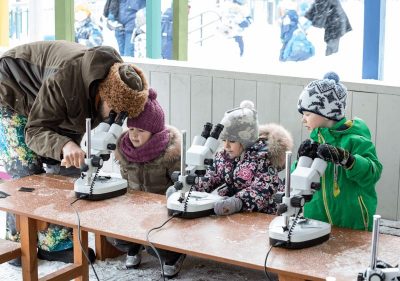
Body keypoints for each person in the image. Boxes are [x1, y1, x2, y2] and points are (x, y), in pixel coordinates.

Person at [0, 40, 149, 265]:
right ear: (102, 94)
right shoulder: (65, 82)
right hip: (12, 90)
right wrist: (64, 145)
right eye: (113, 112)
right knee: (27, 173)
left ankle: (54, 245)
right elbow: (35, 131)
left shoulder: (118, 80)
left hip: (50, 103)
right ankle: (18, 243)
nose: (114, 118)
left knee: (64, 173)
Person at [106, 88, 185, 278]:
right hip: (133, 209)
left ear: (155, 131)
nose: (134, 135)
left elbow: (181, 190)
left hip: (162, 212)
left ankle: (173, 255)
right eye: (132, 129)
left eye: (141, 131)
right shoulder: (125, 150)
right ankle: (133, 245)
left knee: (155, 243)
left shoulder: (169, 153)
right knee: (110, 232)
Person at [296, 72, 382, 231]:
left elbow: (373, 173)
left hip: (352, 221)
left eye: (307, 114)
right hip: (315, 219)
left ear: (327, 113)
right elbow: (299, 182)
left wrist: (348, 160)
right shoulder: (316, 140)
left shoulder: (355, 139)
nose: (303, 119)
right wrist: (300, 160)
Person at [187, 100, 293, 216]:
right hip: (234, 212)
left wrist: (238, 202)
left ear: (246, 141)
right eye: (223, 140)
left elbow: (263, 189)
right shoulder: (223, 156)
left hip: (263, 214)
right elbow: (212, 177)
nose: (226, 146)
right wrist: (189, 187)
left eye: (232, 141)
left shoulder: (263, 158)